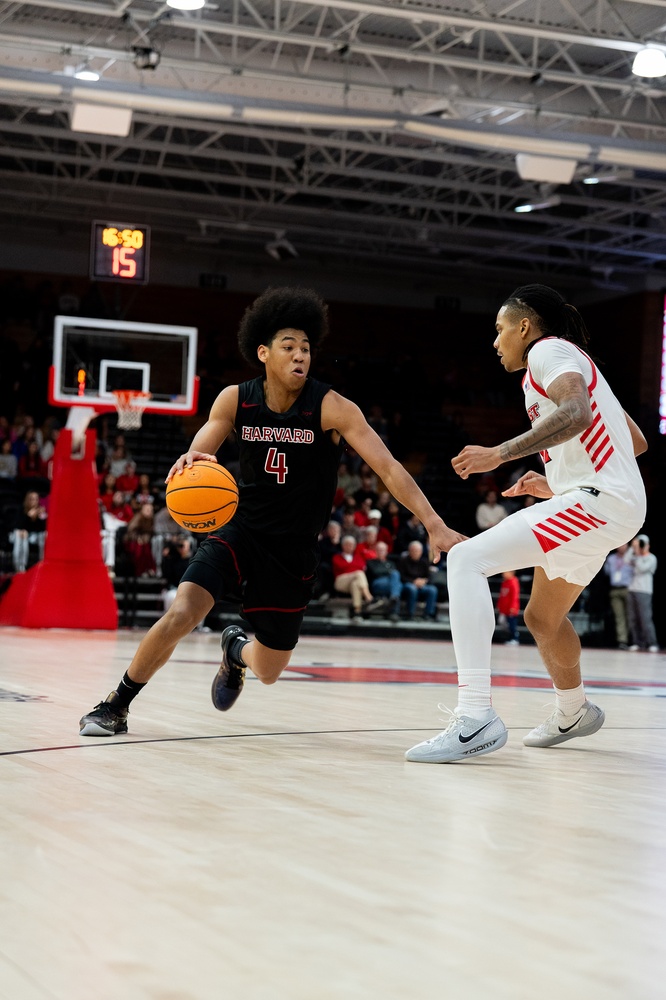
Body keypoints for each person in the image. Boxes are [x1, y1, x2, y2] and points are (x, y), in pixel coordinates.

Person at [80, 286, 464, 736]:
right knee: (182, 611)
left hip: (294, 549)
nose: (300, 355)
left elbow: (389, 468)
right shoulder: (235, 399)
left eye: (306, 348)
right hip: (240, 530)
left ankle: (234, 651)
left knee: (268, 669)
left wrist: (434, 523)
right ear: (263, 353)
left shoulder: (331, 407)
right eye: (289, 346)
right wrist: (191, 458)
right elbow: (203, 446)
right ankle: (116, 705)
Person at [406, 283, 648, 763]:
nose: (495, 341)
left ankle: (475, 716)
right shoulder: (571, 363)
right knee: (541, 617)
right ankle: (574, 710)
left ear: (524, 327)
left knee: (466, 558)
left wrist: (499, 454)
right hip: (604, 502)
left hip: (601, 503)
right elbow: (634, 441)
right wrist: (559, 480)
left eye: (500, 329)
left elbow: (576, 413)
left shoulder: (547, 351)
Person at [626, 534, 658, 652]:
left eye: (642, 544)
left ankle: (652, 643)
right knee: (633, 618)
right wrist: (632, 548)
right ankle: (637, 642)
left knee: (645, 618)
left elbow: (641, 568)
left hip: (644, 591)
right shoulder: (635, 555)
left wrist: (638, 554)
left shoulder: (651, 558)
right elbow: (625, 560)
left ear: (648, 545)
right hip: (632, 589)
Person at [398, 540, 439, 620]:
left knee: (432, 590)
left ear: (421, 552)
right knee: (412, 589)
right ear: (409, 551)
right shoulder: (403, 561)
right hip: (407, 584)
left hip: (421, 585)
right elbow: (401, 576)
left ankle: (428, 614)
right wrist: (413, 582)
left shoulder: (424, 562)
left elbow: (429, 577)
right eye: (414, 550)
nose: (416, 553)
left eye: (418, 551)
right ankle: (410, 613)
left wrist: (424, 581)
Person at [603, 544, 633, 649]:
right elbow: (606, 572)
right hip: (615, 589)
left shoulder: (631, 558)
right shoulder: (611, 559)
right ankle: (622, 641)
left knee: (631, 615)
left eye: (624, 545)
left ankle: (634, 640)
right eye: (620, 545)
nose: (622, 547)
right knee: (619, 616)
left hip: (628, 589)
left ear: (627, 546)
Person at [365, 540, 402, 621]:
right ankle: (394, 612)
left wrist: (388, 572)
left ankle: (393, 600)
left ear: (386, 552)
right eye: (379, 550)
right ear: (375, 551)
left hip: (390, 584)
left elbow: (393, 573)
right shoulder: (371, 562)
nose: (381, 552)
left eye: (383, 550)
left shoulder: (391, 563)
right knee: (397, 585)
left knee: (395, 577)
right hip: (378, 583)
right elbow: (375, 572)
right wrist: (388, 572)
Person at [497, 570, 520, 645]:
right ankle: (509, 637)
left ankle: (515, 638)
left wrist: (513, 607)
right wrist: (499, 605)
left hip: (511, 609)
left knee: (512, 624)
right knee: (504, 623)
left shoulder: (514, 582)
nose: (503, 573)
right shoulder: (504, 582)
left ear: (511, 573)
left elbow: (515, 596)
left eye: (506, 572)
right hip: (504, 608)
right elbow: (501, 596)